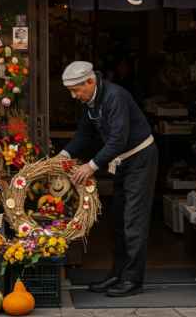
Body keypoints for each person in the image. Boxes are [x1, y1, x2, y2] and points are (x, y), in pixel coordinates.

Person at [59, 61, 158, 297]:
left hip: (140, 159)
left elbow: (118, 140)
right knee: (117, 220)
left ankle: (132, 280)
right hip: (121, 162)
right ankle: (117, 274)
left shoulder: (115, 97)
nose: (74, 96)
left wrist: (91, 166)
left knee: (133, 221)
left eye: (76, 90)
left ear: (90, 81)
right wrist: (62, 156)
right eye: (71, 91)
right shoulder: (90, 101)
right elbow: (84, 134)